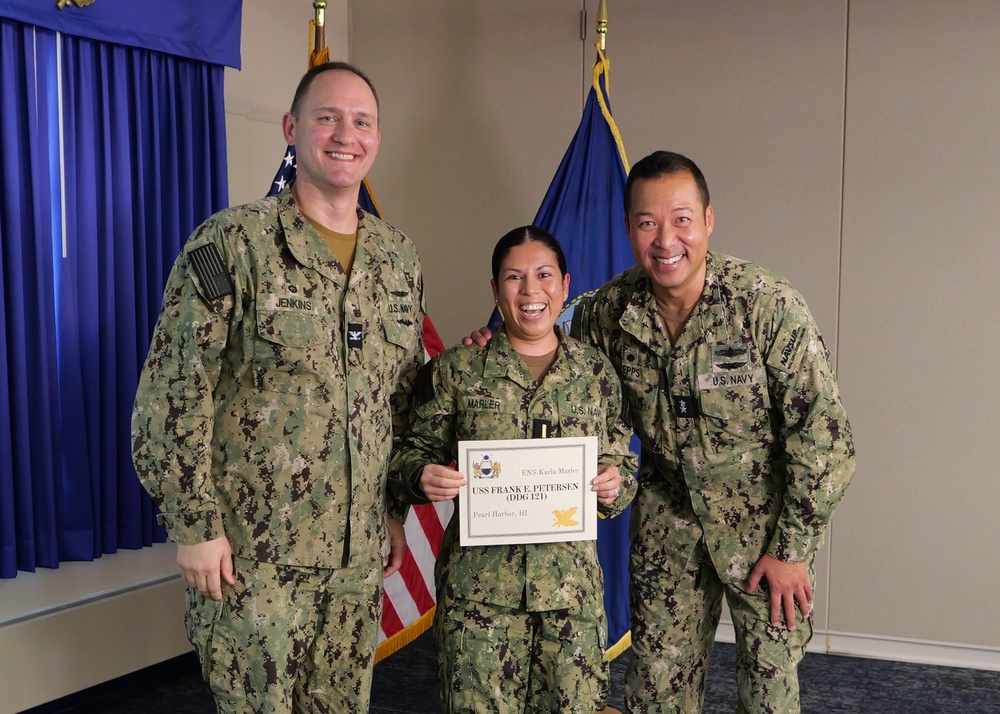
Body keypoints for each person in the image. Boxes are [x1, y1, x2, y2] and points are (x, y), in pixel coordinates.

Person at [467, 151, 856, 713]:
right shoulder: (607, 311)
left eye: (681, 219)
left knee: (769, 694)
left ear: (708, 220)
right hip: (666, 529)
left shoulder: (766, 307)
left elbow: (825, 437)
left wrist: (793, 551)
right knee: (657, 694)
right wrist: (491, 342)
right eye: (647, 223)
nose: (666, 239)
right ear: (628, 228)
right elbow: (542, 334)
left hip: (764, 529)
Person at [131, 62, 425, 713]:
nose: (345, 134)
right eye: (327, 117)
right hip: (254, 555)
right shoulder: (232, 244)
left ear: (377, 137)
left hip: (355, 556)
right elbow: (173, 391)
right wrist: (195, 526)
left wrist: (393, 508)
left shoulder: (397, 259)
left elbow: (399, 399)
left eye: (362, 121)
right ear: (293, 129)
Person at [390, 226, 638, 713]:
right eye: (514, 277)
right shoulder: (458, 370)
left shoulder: (595, 373)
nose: (530, 290)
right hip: (481, 600)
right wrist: (420, 476)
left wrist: (615, 484)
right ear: (496, 290)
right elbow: (406, 453)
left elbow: (623, 463)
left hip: (570, 598)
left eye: (544, 275)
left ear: (565, 285)